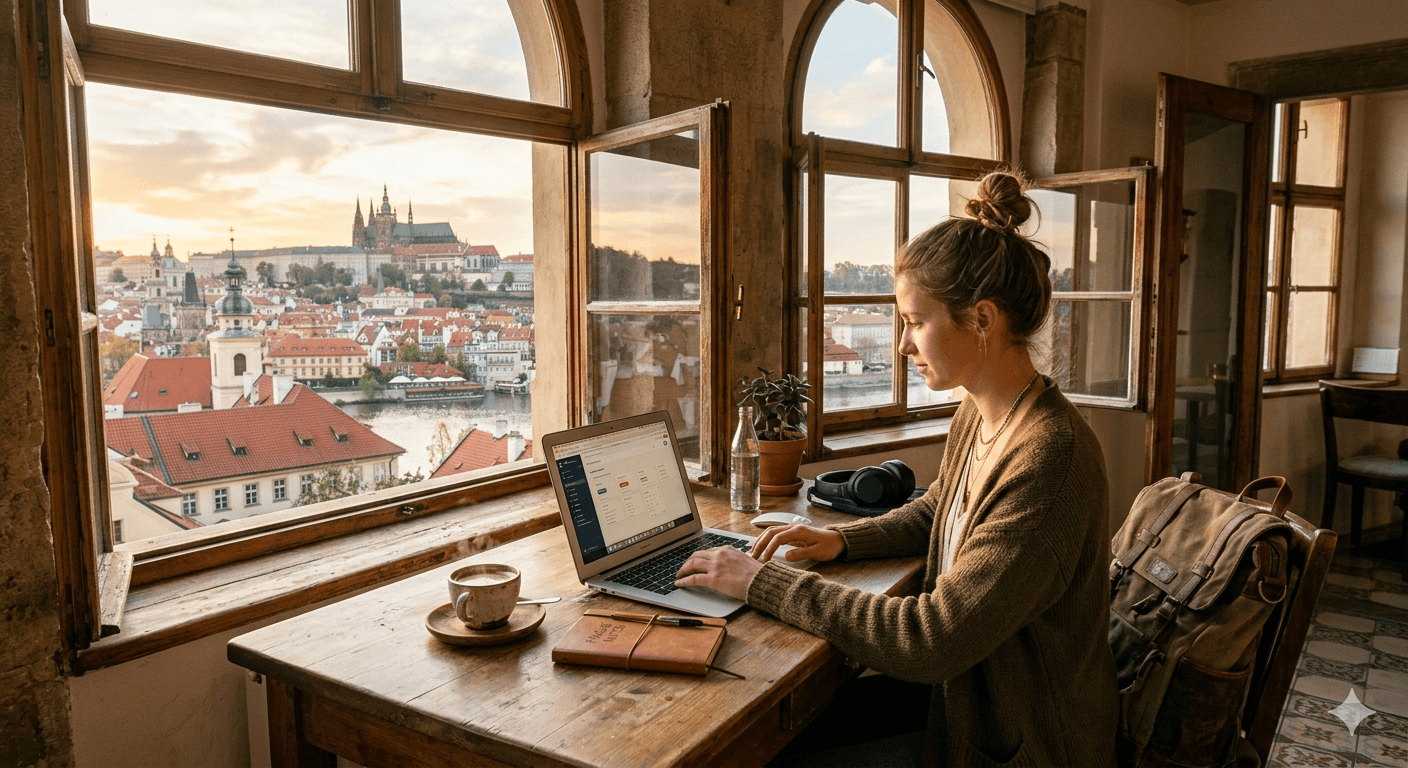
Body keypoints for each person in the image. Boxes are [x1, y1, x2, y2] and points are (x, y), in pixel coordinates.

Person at [675, 171, 1119, 767]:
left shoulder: (1051, 457)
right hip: (961, 699)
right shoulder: (984, 410)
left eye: (914, 321)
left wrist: (760, 582)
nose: (903, 345)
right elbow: (944, 508)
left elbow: (932, 640)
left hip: (1020, 741)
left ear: (982, 320)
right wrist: (839, 539)